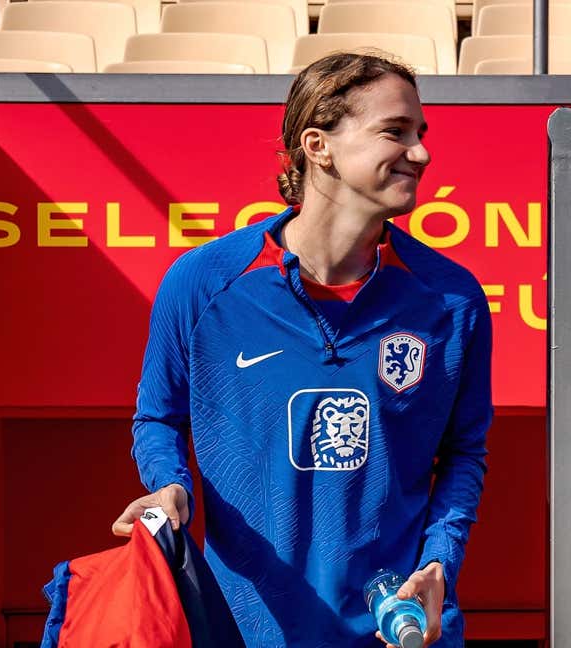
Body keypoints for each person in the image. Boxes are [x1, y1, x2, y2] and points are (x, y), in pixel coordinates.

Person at [111, 53, 493, 647]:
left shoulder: (452, 298)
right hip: (247, 630)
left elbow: (464, 452)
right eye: (396, 132)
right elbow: (159, 417)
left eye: (421, 134)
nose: (421, 153)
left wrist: (441, 559)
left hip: (402, 631)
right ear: (318, 145)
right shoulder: (203, 282)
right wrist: (170, 484)